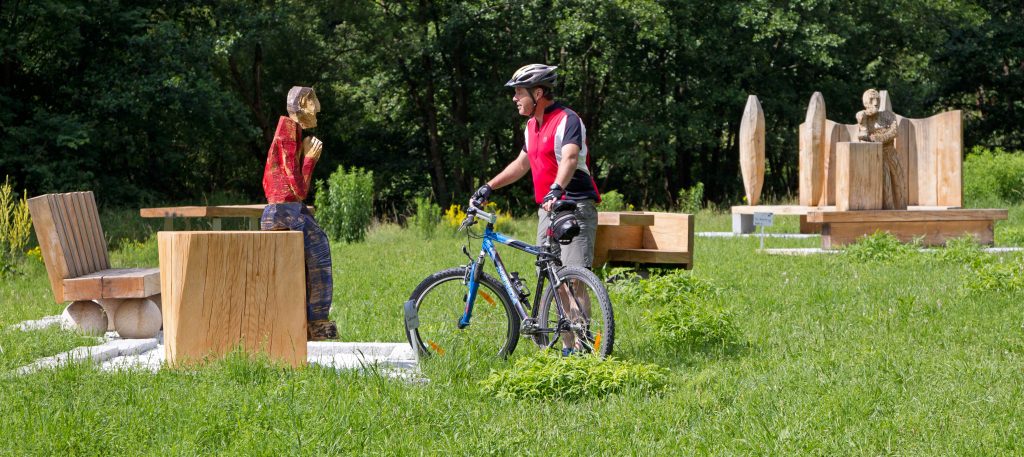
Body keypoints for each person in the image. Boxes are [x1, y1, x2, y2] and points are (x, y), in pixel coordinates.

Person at [470, 64, 601, 355]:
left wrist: (557, 188)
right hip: (547, 210)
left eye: (519, 92)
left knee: (573, 278)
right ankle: (567, 350)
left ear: (538, 93)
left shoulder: (567, 119)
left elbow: (569, 158)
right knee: (554, 278)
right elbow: (521, 164)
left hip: (574, 205)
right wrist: (489, 187)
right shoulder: (531, 126)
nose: (515, 98)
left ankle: (583, 349)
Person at [261, 86, 337, 341]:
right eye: (313, 102)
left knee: (312, 252)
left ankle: (311, 321)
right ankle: (318, 322)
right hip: (283, 212)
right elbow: (299, 189)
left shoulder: (289, 132)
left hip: (284, 209)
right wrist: (310, 158)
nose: (318, 109)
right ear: (302, 104)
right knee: (319, 248)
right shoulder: (288, 133)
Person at [857, 88, 907, 210]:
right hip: (876, 155)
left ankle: (902, 210)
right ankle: (888, 212)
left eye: (877, 99)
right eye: (871, 99)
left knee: (899, 181)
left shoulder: (888, 115)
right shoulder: (863, 117)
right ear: (865, 102)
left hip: (890, 152)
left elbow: (893, 132)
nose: (875, 103)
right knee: (886, 184)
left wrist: (874, 138)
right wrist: (863, 122)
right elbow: (863, 136)